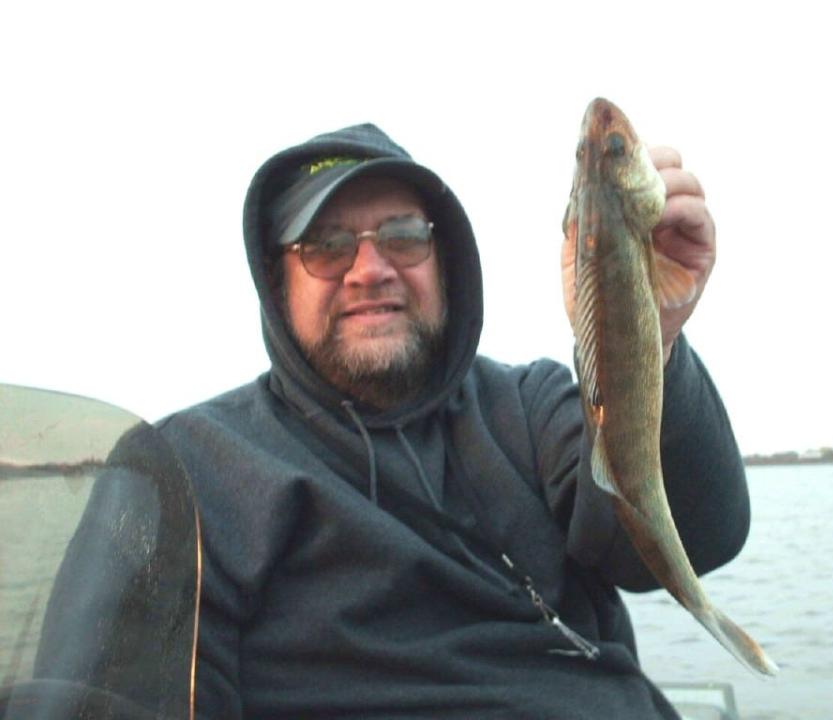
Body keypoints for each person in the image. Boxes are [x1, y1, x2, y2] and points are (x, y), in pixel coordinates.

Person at [156, 123, 750, 719]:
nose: (370, 268)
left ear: (445, 262)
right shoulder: (192, 466)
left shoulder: (531, 406)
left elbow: (691, 543)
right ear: (277, 279)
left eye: (404, 236)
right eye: (326, 244)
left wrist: (653, 330)